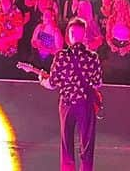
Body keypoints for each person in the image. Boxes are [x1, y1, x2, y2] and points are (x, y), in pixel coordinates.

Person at [35, 18, 102, 171]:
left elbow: (52, 84)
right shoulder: (92, 57)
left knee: (67, 146)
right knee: (87, 145)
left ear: (69, 35)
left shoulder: (61, 56)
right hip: (85, 105)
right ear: (84, 35)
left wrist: (41, 80)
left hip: (67, 104)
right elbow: (98, 83)